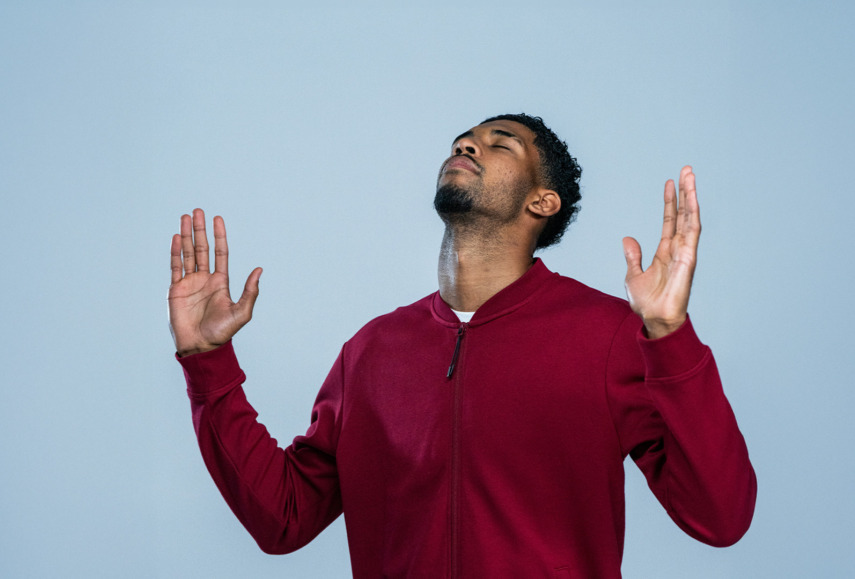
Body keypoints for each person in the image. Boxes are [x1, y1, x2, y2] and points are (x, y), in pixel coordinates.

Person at [167, 113, 756, 578]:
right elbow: (285, 518)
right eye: (463, 141)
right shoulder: (372, 352)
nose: (468, 145)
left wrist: (669, 335)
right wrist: (205, 361)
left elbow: (720, 517)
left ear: (542, 201)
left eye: (501, 144)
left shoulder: (608, 335)